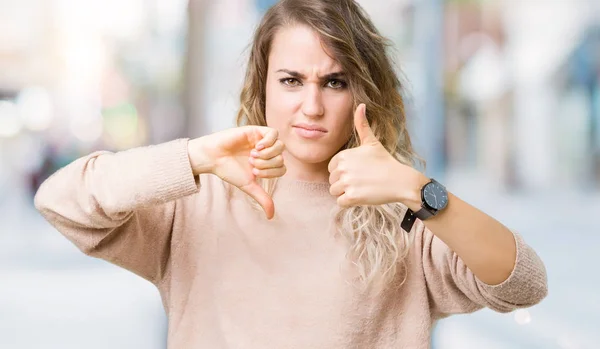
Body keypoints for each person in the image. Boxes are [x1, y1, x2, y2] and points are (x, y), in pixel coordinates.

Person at [34, 0, 548, 348]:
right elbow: (62, 202)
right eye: (291, 80)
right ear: (262, 88)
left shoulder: (406, 214)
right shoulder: (196, 199)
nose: (312, 105)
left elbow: (524, 282)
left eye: (335, 81)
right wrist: (192, 158)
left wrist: (416, 190)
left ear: (361, 93)